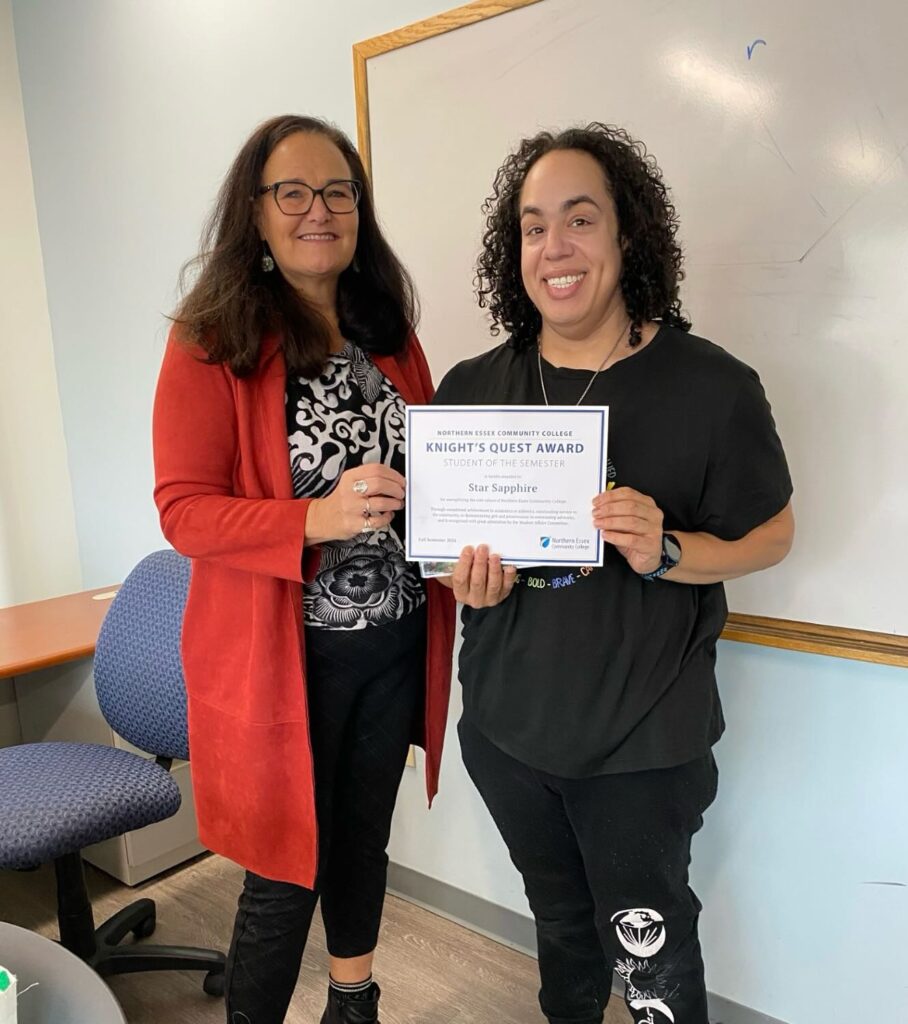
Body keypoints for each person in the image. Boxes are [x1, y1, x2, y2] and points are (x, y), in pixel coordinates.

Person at [432, 123, 794, 1024]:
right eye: (532, 225)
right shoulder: (471, 390)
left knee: (650, 953)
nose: (554, 248)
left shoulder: (713, 388)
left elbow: (773, 535)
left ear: (627, 234)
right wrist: (462, 579)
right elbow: (443, 552)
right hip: (510, 734)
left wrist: (670, 549)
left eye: (581, 220)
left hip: (642, 747)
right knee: (560, 932)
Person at [152, 114, 455, 1024]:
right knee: (288, 864)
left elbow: (435, 468)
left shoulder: (390, 334)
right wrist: (313, 518)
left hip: (394, 640)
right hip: (285, 656)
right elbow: (184, 511)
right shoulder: (211, 339)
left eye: (338, 191)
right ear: (255, 210)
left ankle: (353, 1001)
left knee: (363, 842)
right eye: (293, 191)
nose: (318, 210)